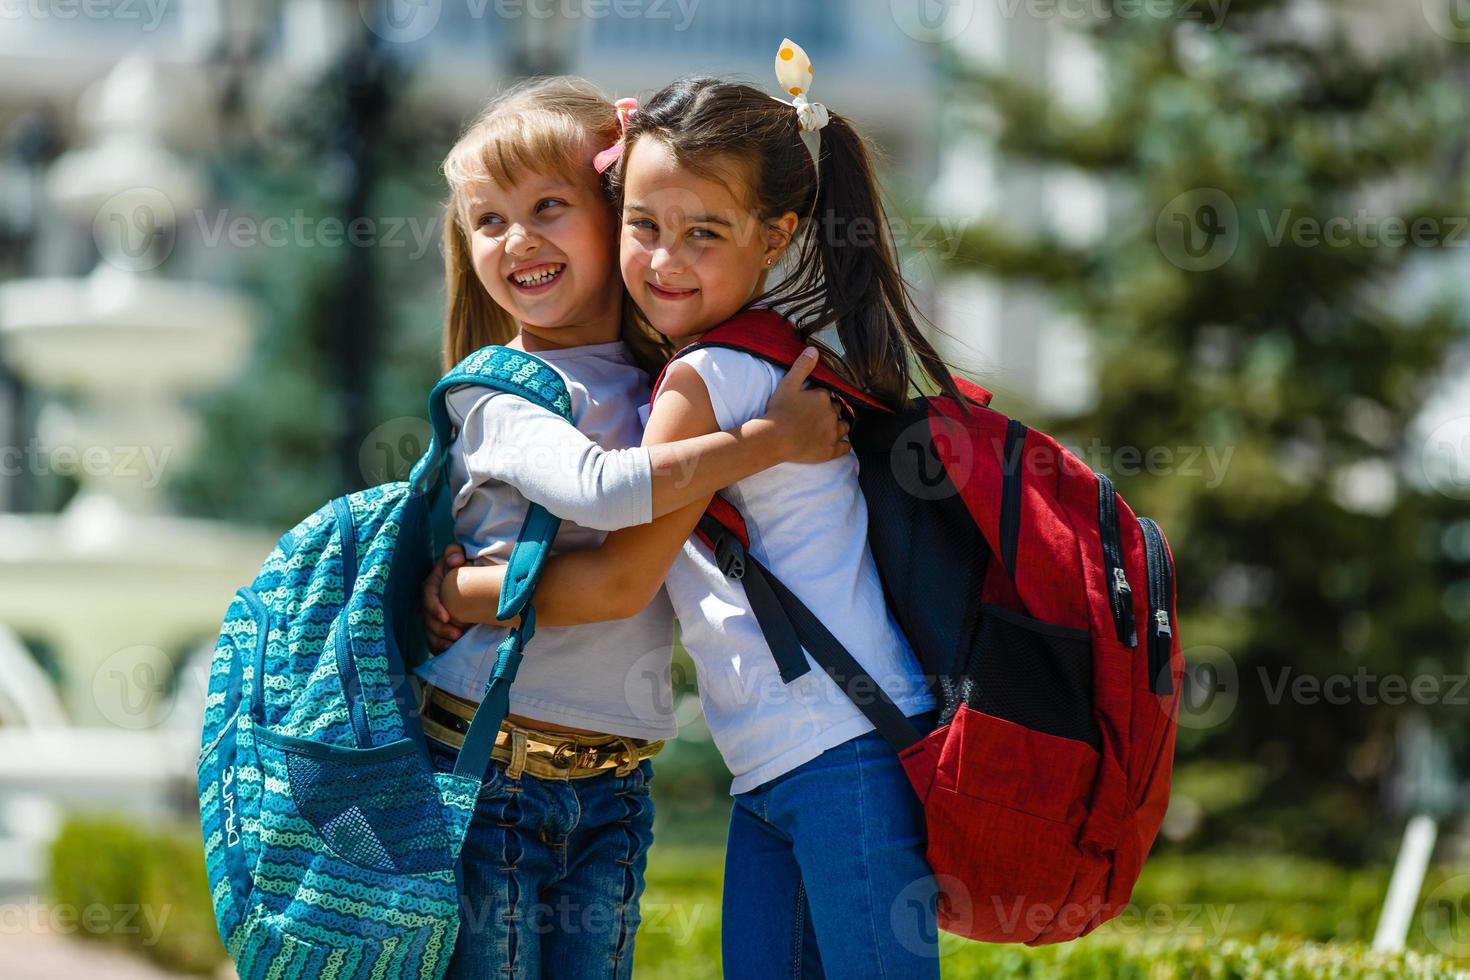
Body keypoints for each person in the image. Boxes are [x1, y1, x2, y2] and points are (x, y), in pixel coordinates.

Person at [428, 46, 960, 978]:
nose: (666, 261)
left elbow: (623, 572)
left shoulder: (701, 380)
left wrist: (462, 595)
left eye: (703, 233)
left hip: (827, 748)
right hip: (790, 758)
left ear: (774, 235)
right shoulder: (742, 359)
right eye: (645, 225)